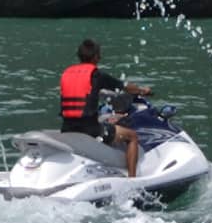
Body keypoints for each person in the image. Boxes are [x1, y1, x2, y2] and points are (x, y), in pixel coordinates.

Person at [60, 38, 150, 178]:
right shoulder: (97, 75)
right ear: (96, 56)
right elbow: (125, 87)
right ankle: (133, 180)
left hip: (67, 128)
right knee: (132, 136)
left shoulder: (66, 73)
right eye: (99, 54)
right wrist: (142, 90)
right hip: (90, 129)